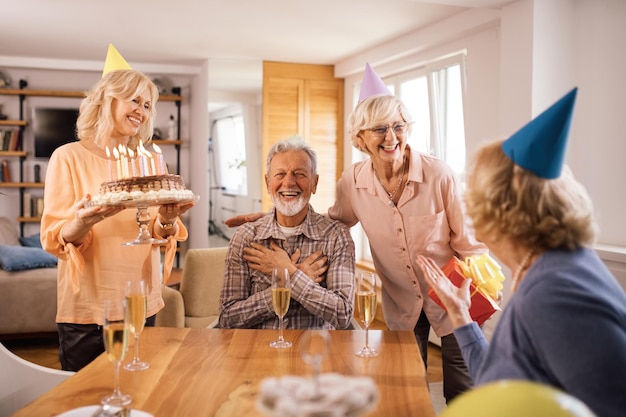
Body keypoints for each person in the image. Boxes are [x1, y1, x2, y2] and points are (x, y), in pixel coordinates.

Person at [225, 64, 487, 402]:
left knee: (464, 393)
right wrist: (273, 216)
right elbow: (330, 222)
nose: (391, 137)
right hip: (402, 303)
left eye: (398, 126)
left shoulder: (440, 176)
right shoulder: (353, 182)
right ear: (360, 138)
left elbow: (471, 246)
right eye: (380, 129)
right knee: (408, 390)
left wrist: (475, 309)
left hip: (454, 300)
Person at [418, 88, 626, 417]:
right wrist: (461, 315)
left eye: (471, 194)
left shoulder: (557, 293)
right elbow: (501, 383)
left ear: (497, 209)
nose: (466, 206)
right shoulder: (549, 267)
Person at [41, 44, 194, 371]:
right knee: (85, 397)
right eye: (135, 99)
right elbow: (55, 239)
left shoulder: (151, 161)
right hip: (89, 307)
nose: (142, 109)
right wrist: (83, 221)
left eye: (148, 104)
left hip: (141, 300)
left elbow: (156, 230)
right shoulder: (68, 157)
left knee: (136, 389)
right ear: (107, 99)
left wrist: (168, 219)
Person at [219, 136, 355, 330]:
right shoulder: (246, 237)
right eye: (280, 174)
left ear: (314, 183)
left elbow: (343, 314)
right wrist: (289, 283)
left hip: (317, 354)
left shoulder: (337, 237)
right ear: (268, 183)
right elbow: (228, 318)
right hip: (257, 352)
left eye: (299, 174)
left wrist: (287, 272)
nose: (289, 182)